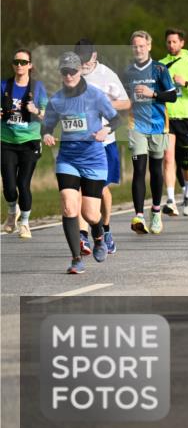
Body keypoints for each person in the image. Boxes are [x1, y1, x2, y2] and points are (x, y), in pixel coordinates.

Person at [42, 52, 121, 273]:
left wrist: (106, 129)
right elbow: (47, 125)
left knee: (90, 214)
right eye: (64, 72)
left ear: (80, 71)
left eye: (72, 71)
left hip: (94, 159)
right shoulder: (57, 99)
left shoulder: (95, 95)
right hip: (68, 158)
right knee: (68, 206)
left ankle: (98, 236)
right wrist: (47, 134)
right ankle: (76, 258)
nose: (68, 76)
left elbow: (116, 119)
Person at [74, 39, 131, 256]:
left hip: (104, 141)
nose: (84, 63)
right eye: (80, 58)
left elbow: (126, 103)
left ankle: (106, 230)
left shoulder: (107, 75)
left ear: (95, 56)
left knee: (102, 189)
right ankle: (82, 237)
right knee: (80, 190)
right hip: (79, 141)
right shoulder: (71, 73)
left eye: (86, 59)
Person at [122, 30, 177, 235]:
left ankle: (155, 211)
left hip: (158, 126)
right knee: (138, 169)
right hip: (136, 125)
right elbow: (122, 98)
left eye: (142, 46)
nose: (138, 49)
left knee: (155, 170)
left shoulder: (160, 70)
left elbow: (172, 97)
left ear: (149, 47)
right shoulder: (127, 72)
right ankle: (138, 215)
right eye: (135, 46)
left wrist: (152, 93)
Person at [2, 49, 47, 239]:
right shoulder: (4, 85)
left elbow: (47, 115)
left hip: (29, 142)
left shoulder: (38, 88)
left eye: (23, 62)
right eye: (16, 62)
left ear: (30, 65)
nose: (19, 65)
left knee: (23, 183)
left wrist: (35, 110)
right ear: (13, 65)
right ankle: (13, 212)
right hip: (6, 141)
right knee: (10, 186)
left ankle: (25, 224)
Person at [160, 28, 188, 217]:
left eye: (174, 42)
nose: (171, 45)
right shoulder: (160, 65)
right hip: (167, 119)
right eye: (168, 42)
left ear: (182, 43)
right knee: (168, 158)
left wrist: (185, 83)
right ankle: (170, 199)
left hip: (186, 118)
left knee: (185, 161)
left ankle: (187, 192)